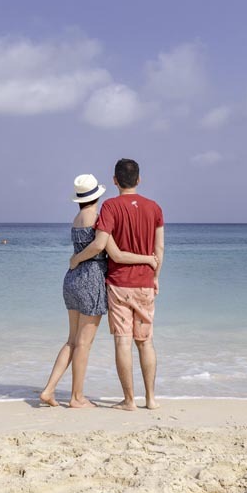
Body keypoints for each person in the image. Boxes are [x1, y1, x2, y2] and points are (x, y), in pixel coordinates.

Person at [39, 173, 157, 408]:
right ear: (98, 195)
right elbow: (109, 251)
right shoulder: (98, 217)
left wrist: (74, 261)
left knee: (72, 340)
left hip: (72, 280)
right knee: (84, 343)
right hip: (91, 279)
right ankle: (76, 397)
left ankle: (49, 389)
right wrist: (148, 259)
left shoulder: (77, 217)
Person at [69, 159, 164, 411]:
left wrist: (76, 259)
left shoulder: (110, 207)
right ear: (139, 179)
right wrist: (155, 276)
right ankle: (151, 399)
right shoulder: (154, 208)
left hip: (119, 283)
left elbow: (106, 246)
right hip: (145, 282)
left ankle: (129, 401)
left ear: (114, 180)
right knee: (145, 342)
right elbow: (159, 248)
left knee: (123, 341)